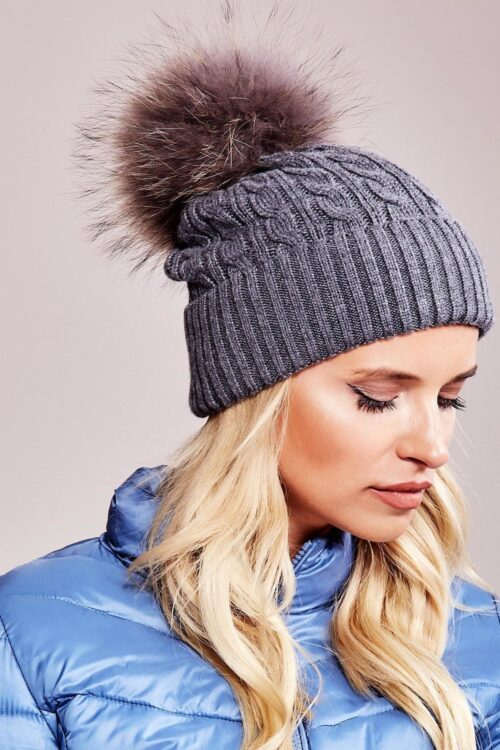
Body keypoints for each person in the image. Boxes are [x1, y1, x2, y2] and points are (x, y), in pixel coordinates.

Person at [1, 3, 499, 749]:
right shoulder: (30, 632)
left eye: (450, 398)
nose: (432, 446)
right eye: (377, 397)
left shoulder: (479, 644)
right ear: (254, 389)